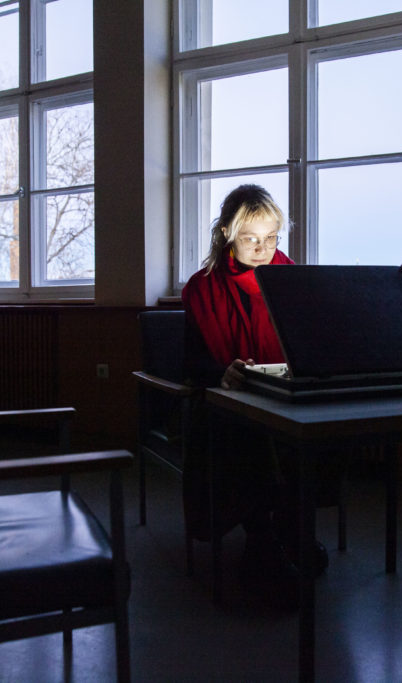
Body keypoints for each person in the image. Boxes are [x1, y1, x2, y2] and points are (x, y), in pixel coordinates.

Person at [180, 184, 309, 606]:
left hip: (286, 391)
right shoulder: (203, 288)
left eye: (271, 238)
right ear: (227, 236)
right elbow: (191, 363)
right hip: (225, 398)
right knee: (245, 427)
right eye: (252, 238)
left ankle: (292, 529)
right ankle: (263, 542)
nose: (263, 248)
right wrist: (223, 372)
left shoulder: (294, 281)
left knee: (315, 425)